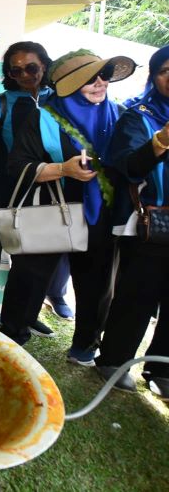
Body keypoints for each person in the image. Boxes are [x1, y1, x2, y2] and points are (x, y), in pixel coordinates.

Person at [0, 49, 136, 365]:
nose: (100, 83)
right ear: (69, 85)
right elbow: (17, 165)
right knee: (30, 279)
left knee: (98, 283)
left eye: (104, 75)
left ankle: (85, 345)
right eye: (90, 78)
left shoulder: (117, 115)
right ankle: (11, 339)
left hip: (101, 214)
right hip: (49, 210)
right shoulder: (41, 117)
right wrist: (64, 169)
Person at [0, 42, 63, 335]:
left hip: (40, 194)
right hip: (1, 192)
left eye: (31, 67)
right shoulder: (0, 103)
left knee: (32, 264)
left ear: (45, 66)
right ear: (9, 73)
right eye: (16, 70)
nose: (25, 74)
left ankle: (23, 316)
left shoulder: (58, 101)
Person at [95, 45, 169, 396]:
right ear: (154, 76)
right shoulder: (138, 116)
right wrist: (159, 143)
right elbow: (126, 165)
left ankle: (161, 369)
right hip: (149, 222)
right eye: (165, 70)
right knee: (139, 293)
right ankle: (113, 359)